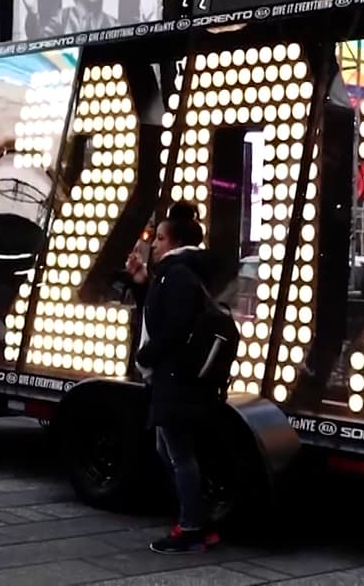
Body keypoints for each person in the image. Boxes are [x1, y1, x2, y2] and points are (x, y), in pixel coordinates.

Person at [128, 203, 233, 554]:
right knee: (170, 448)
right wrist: (143, 283)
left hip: (176, 377)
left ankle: (192, 527)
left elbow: (173, 327)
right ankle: (197, 519)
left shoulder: (178, 274)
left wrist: (146, 355)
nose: (154, 244)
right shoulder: (185, 272)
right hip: (182, 377)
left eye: (159, 238)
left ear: (175, 241)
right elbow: (164, 315)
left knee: (179, 453)